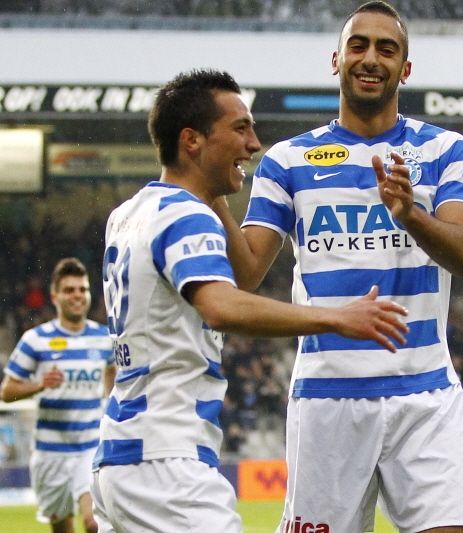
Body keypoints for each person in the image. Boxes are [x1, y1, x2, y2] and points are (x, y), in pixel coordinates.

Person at [89, 68, 409, 533]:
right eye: (240, 129)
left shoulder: (128, 213)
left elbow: (216, 294)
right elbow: (222, 305)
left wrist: (214, 190)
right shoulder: (186, 216)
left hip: (120, 456)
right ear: (191, 140)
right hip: (167, 464)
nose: (253, 144)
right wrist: (338, 318)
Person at [213, 2, 463, 531]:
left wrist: (411, 214)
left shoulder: (444, 149)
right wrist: (215, 192)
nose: (371, 58)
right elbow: (245, 275)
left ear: (405, 68)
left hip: (424, 392)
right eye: (358, 45)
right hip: (327, 396)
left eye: (387, 49)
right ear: (336, 60)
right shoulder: (287, 160)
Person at [1, 257, 115, 533]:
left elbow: (113, 376)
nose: (77, 295)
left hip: (90, 446)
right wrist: (39, 384)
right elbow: (6, 392)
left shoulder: (104, 338)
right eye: (69, 290)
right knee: (63, 528)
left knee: (94, 522)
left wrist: (110, 407)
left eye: (82, 289)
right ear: (55, 296)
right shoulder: (35, 340)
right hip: (50, 452)